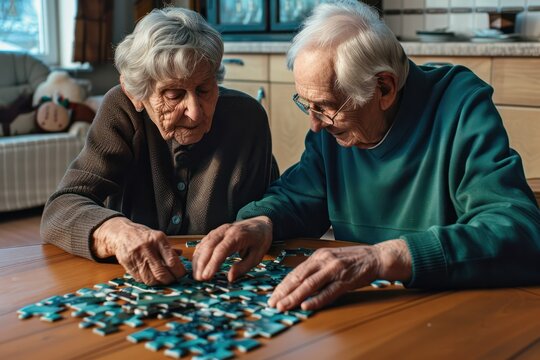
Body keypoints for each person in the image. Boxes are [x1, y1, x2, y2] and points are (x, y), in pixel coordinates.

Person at [192, 0, 540, 312]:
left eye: (325, 108)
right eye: (306, 105)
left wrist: (381, 257)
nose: (314, 124)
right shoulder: (336, 129)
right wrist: (261, 222)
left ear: (384, 88)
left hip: (451, 311)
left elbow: (519, 234)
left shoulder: (460, 106)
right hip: (361, 308)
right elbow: (299, 196)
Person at [41, 7, 277, 286]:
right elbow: (60, 209)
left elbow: (271, 214)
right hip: (133, 288)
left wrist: (262, 224)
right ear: (135, 93)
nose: (195, 113)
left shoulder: (247, 118)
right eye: (174, 94)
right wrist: (116, 232)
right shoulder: (122, 109)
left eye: (204, 90)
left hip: (224, 290)